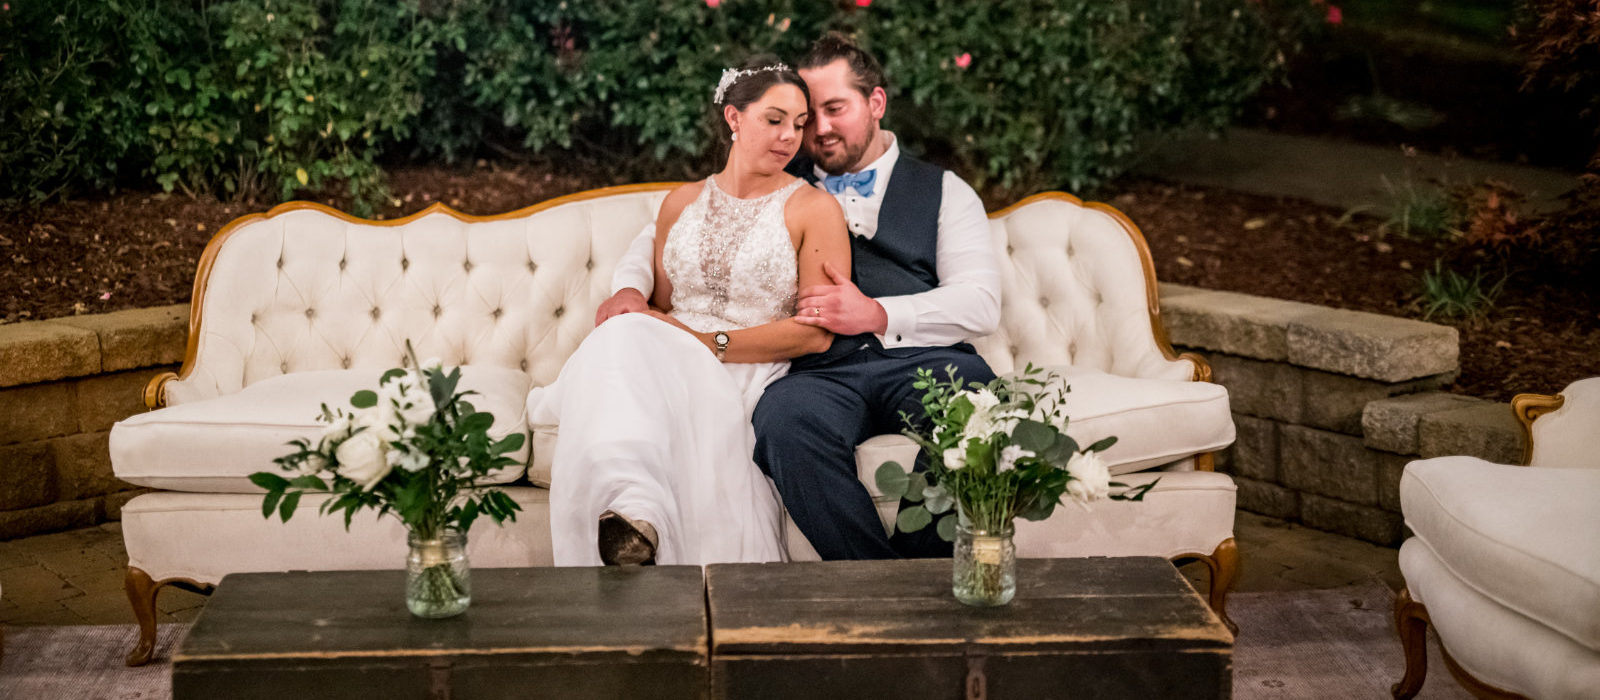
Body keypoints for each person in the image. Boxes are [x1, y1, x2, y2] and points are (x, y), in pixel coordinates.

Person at [597, 33, 1001, 560]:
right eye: (812, 116)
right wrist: (630, 286)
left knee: (978, 405)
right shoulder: (779, 175)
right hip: (819, 372)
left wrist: (879, 313)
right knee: (783, 422)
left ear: (875, 103)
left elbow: (980, 302)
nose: (819, 130)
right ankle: (873, 584)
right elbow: (668, 235)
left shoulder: (945, 191)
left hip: (923, 361)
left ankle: (920, 576)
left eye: (836, 109)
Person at [534, 56, 851, 566]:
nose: (789, 137)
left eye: (798, 124)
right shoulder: (680, 202)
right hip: (672, 353)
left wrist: (709, 345)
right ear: (734, 118)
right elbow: (661, 304)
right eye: (774, 120)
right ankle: (633, 517)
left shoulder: (813, 208)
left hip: (746, 367)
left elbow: (815, 335)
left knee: (626, 338)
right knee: (624, 331)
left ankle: (637, 517)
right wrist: (635, 301)